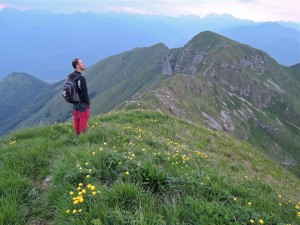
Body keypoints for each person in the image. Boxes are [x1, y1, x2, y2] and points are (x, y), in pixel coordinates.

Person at [69, 58, 90, 135]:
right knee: (83, 118)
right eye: (81, 63)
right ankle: (82, 135)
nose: (83, 64)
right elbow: (85, 92)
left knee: (76, 119)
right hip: (82, 102)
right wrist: (88, 102)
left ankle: (77, 134)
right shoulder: (81, 78)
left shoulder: (71, 76)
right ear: (77, 66)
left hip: (75, 101)